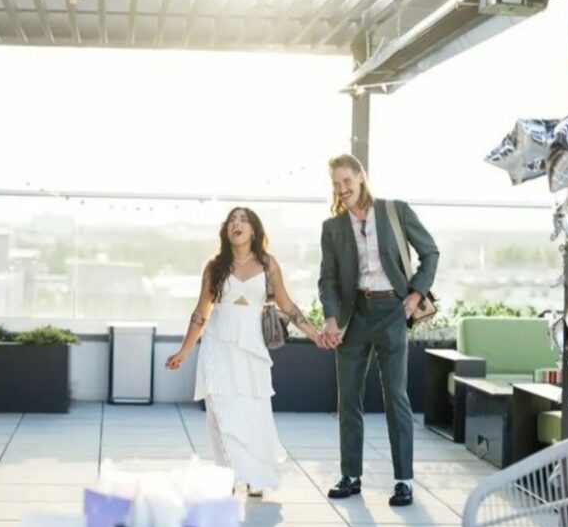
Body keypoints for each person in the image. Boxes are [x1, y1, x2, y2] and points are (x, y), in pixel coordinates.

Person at [166, 207, 322, 496]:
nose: (236, 224)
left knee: (253, 410)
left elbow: (287, 305)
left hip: (251, 345)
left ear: (254, 230)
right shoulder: (215, 266)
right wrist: (184, 351)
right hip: (217, 341)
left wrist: (314, 333)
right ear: (227, 231)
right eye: (231, 221)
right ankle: (227, 476)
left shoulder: (268, 264)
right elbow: (201, 312)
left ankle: (254, 475)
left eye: (243, 220)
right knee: (220, 410)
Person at [318, 154, 439, 507]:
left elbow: (430, 252)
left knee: (395, 397)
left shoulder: (395, 212)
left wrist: (416, 293)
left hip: (392, 311)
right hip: (353, 314)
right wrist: (329, 318)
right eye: (336, 184)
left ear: (361, 177)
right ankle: (350, 475)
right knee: (348, 398)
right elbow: (327, 278)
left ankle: (403, 480)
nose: (342, 189)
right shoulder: (333, 227)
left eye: (347, 181)